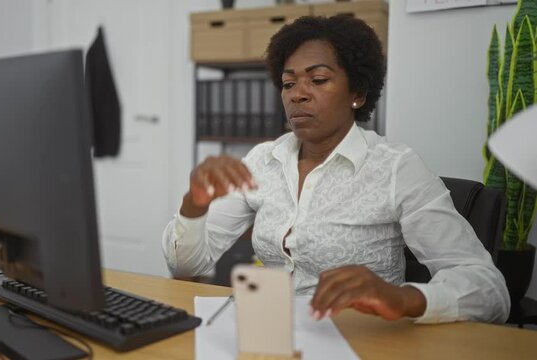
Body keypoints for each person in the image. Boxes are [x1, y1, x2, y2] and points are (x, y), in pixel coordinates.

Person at [162, 15, 510, 323]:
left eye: (319, 80)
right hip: (269, 335)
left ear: (357, 92)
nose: (297, 94)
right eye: (288, 83)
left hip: (362, 341)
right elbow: (187, 267)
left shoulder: (395, 167)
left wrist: (404, 298)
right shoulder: (263, 160)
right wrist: (194, 205)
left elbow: (489, 289)